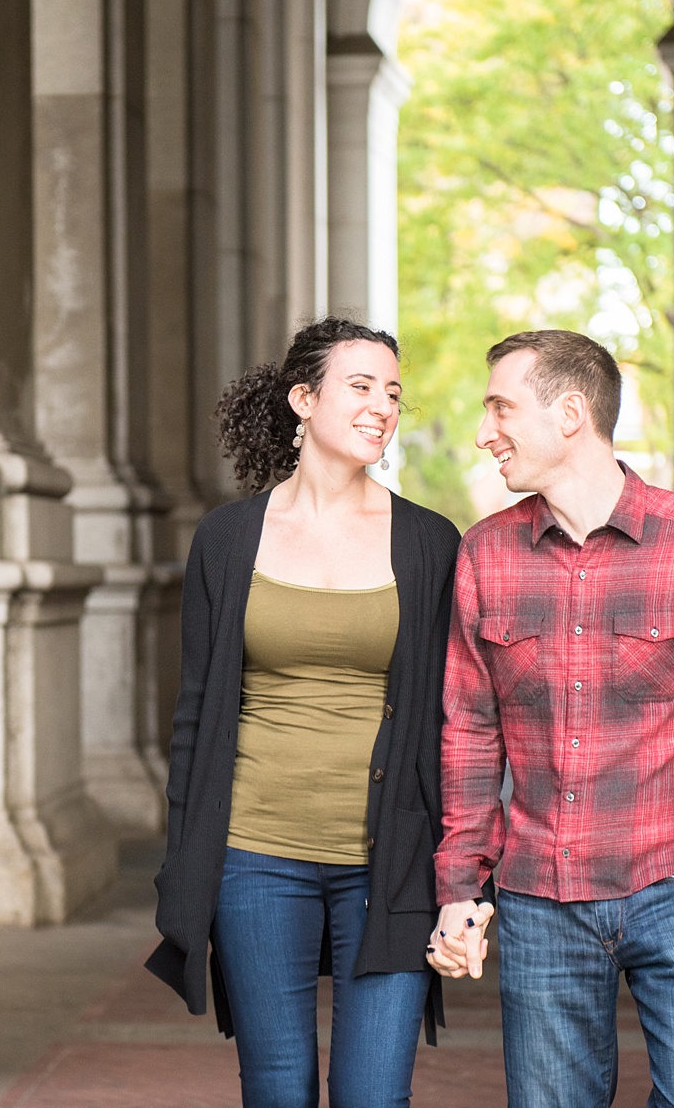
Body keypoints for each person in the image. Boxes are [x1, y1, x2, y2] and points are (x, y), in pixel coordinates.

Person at [425, 330, 674, 1108]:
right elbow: (469, 732)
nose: (483, 432)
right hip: (539, 897)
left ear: (571, 413)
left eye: (501, 408)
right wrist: (458, 886)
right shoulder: (485, 555)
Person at [146, 317, 461, 1108]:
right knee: (279, 1089)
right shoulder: (227, 538)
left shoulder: (429, 543)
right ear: (302, 399)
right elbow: (195, 718)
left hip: (388, 862)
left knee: (373, 1094)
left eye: (393, 391)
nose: (382, 406)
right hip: (255, 855)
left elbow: (453, 722)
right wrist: (185, 860)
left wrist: (462, 872)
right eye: (361, 386)